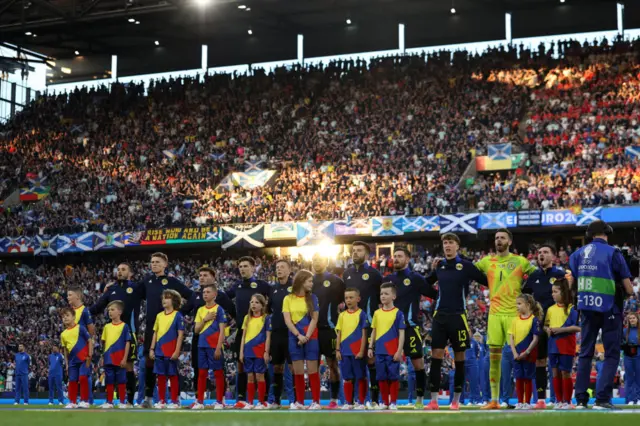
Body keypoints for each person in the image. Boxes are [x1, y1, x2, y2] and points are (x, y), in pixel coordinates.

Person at [568, 220, 634, 409]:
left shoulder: (576, 255)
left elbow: (572, 287)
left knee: (585, 354)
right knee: (612, 354)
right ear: (606, 232)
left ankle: (580, 399)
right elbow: (629, 289)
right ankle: (603, 398)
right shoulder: (614, 253)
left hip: (586, 308)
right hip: (610, 308)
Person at [475, 229, 538, 409]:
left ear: (509, 241)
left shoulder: (520, 261)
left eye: (502, 238)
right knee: (494, 358)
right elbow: (468, 271)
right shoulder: (486, 261)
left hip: (514, 314)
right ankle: (494, 400)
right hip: (494, 314)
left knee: (517, 357)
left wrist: (527, 295)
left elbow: (537, 276)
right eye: (496, 238)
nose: (499, 240)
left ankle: (524, 400)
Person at [425, 233, 486, 411]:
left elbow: (485, 280)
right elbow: (426, 283)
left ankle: (456, 401)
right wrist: (432, 272)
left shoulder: (466, 266)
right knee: (435, 357)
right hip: (439, 317)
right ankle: (434, 400)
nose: (447, 246)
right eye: (445, 243)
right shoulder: (440, 266)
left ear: (457, 246)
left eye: (451, 242)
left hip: (458, 316)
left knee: (460, 359)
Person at [137, 252, 193, 408]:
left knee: (172, 364)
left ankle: (176, 398)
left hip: (170, 330)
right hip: (152, 328)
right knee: (150, 362)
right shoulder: (147, 281)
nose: (153, 264)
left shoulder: (172, 281)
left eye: (157, 262)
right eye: (152, 262)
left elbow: (192, 296)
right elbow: (134, 295)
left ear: (165, 265)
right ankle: (149, 398)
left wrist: (180, 314)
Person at [385, 247, 436, 409]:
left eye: (400, 256)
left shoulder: (415, 278)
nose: (396, 259)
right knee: (388, 364)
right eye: (395, 256)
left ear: (408, 259)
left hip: (410, 328)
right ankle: (388, 401)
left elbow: (434, 294)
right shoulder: (388, 279)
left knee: (418, 364)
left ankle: (420, 399)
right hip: (390, 330)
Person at [181, 266, 234, 404]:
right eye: (200, 275)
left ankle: (221, 399)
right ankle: (199, 399)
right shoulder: (195, 295)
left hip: (215, 339)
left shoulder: (221, 296)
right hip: (198, 339)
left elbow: (234, 312)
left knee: (218, 369)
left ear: (213, 278)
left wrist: (228, 331)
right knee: (198, 368)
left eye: (205, 275)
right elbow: (183, 311)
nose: (202, 277)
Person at [90, 263, 140, 406]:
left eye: (123, 269)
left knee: (128, 366)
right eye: (118, 269)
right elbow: (98, 307)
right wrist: (81, 312)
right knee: (110, 368)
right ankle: (110, 400)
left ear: (130, 273)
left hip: (130, 332)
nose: (119, 271)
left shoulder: (136, 288)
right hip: (112, 334)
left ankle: (129, 401)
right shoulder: (111, 289)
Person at [523, 244, 566, 409]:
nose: (541, 255)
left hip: (557, 325)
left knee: (558, 363)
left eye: (545, 252)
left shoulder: (561, 275)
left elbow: (569, 298)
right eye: (539, 253)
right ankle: (541, 399)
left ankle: (562, 400)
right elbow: (524, 297)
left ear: (554, 256)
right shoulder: (534, 276)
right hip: (539, 326)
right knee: (540, 361)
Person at [342, 241, 383, 407]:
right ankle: (351, 401)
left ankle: (373, 399)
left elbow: (383, 296)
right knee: (353, 364)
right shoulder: (346, 274)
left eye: (359, 250)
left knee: (371, 362)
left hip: (370, 326)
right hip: (350, 328)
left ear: (367, 254)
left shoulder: (374, 274)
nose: (355, 253)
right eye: (353, 250)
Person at [226, 256, 270, 408]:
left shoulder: (261, 285)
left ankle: (264, 399)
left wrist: (267, 314)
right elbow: (225, 298)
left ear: (253, 268)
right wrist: (234, 314)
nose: (242, 269)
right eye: (240, 266)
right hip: (242, 329)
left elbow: (273, 299)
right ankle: (243, 398)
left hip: (260, 331)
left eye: (245, 266)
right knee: (241, 365)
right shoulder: (236, 286)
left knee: (262, 368)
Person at [283, 269, 321, 410]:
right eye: (310, 281)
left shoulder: (313, 298)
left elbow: (314, 319)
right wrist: (299, 336)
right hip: (294, 338)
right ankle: (299, 402)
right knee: (297, 372)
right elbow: (287, 320)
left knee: (312, 370)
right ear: (301, 281)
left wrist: (306, 337)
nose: (312, 284)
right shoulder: (288, 298)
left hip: (311, 337)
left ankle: (316, 402)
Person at [311, 253, 345, 409]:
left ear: (326, 261)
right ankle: (315, 400)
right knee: (313, 366)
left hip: (330, 328)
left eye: (320, 260)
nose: (317, 262)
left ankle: (334, 399)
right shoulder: (307, 281)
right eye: (314, 260)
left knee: (332, 365)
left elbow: (345, 302)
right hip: (311, 330)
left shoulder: (336, 281)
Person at [368, 283, 405, 410]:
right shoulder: (377, 313)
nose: (383, 296)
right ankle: (385, 402)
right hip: (379, 351)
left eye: (386, 293)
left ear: (393, 296)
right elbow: (374, 330)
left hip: (392, 350)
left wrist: (399, 351)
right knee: (381, 377)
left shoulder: (398, 313)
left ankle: (393, 402)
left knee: (393, 376)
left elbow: (401, 333)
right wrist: (370, 347)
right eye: (381, 294)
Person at [545, 278, 579, 409]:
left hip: (566, 344)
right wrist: (547, 329)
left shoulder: (572, 309)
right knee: (555, 372)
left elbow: (578, 327)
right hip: (552, 344)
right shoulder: (550, 309)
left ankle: (568, 401)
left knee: (566, 372)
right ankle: (558, 401)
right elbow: (546, 325)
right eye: (552, 292)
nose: (553, 294)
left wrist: (561, 330)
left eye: (555, 291)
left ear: (563, 292)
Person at [193, 284, 227, 410]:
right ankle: (200, 401)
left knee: (218, 373)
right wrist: (205, 319)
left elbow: (222, 330)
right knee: (202, 373)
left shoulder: (219, 309)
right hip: (202, 345)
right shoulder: (201, 310)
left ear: (215, 294)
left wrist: (219, 347)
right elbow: (196, 330)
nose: (205, 294)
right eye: (203, 292)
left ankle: (219, 401)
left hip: (214, 346)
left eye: (208, 292)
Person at [149, 289, 185, 409]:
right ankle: (162, 401)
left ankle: (175, 401)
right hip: (159, 351)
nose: (164, 300)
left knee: (173, 376)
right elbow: (155, 333)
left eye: (167, 297)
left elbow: (180, 334)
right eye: (163, 297)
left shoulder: (178, 315)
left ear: (174, 300)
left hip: (171, 351)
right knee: (161, 377)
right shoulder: (159, 316)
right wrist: (152, 349)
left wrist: (177, 351)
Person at [267, 259, 295, 408]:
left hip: (291, 333)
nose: (279, 270)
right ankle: (276, 400)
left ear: (289, 270)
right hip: (276, 333)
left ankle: (294, 401)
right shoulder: (273, 289)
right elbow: (269, 309)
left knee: (292, 367)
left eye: (282, 267)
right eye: (277, 267)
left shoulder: (295, 287)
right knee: (276, 367)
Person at [335, 288, 368, 410]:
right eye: (346, 298)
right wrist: (338, 350)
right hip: (345, 351)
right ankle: (349, 402)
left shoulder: (362, 314)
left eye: (351, 297)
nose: (348, 300)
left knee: (360, 376)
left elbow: (364, 334)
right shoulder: (342, 315)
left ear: (358, 299)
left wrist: (361, 350)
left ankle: (361, 402)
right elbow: (339, 333)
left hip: (357, 352)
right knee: (347, 377)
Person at [508, 294, 542, 410]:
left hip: (529, 354)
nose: (517, 306)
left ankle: (527, 402)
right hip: (517, 354)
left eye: (519, 303)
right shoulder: (514, 320)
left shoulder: (534, 320)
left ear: (527, 305)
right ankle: (519, 402)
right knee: (518, 377)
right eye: (516, 303)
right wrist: (515, 353)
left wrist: (526, 352)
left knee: (527, 378)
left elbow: (535, 339)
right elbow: (511, 338)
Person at [240, 294, 271, 410]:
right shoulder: (246, 318)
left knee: (259, 376)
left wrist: (266, 352)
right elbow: (243, 336)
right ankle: (250, 402)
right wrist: (241, 352)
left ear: (262, 305)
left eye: (257, 302)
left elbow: (268, 337)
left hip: (259, 350)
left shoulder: (266, 318)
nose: (253, 304)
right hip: (248, 351)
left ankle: (261, 402)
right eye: (252, 302)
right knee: (250, 377)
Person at [100, 301, 132, 409]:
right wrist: (103, 357)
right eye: (109, 310)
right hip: (109, 358)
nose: (110, 312)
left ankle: (122, 401)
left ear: (120, 312)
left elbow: (127, 342)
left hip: (120, 359)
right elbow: (104, 343)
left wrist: (125, 358)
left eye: (112, 310)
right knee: (109, 380)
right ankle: (109, 402)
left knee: (122, 380)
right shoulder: (106, 327)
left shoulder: (125, 326)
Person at [60, 307, 93, 409]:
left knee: (83, 378)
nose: (65, 318)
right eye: (63, 316)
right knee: (72, 380)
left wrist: (90, 355)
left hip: (84, 359)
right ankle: (72, 402)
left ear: (74, 317)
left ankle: (84, 401)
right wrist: (66, 363)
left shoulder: (81, 328)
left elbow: (89, 340)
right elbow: (65, 350)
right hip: (72, 361)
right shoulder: (63, 334)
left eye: (67, 315)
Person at [68, 285, 96, 405]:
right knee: (74, 377)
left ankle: (87, 400)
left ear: (78, 296)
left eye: (70, 295)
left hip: (83, 349)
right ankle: (75, 400)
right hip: (73, 349)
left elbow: (91, 329)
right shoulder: (70, 312)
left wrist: (89, 344)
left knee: (84, 375)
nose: (67, 297)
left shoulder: (84, 310)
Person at [622, 312, 640, 406]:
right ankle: (629, 399)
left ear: (637, 319)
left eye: (633, 318)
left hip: (638, 357)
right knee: (629, 378)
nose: (632, 320)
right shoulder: (625, 331)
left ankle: (638, 398)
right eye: (630, 318)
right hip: (628, 357)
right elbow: (621, 344)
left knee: (638, 378)